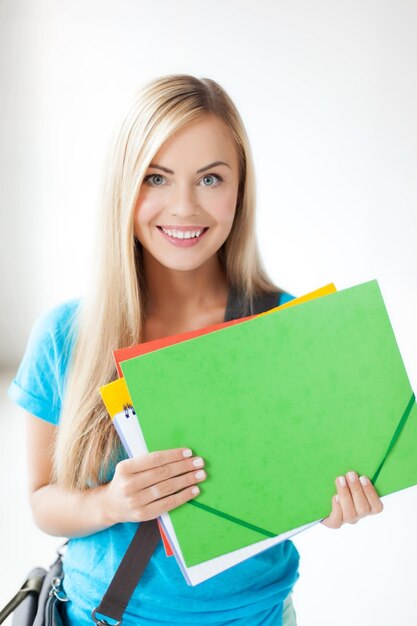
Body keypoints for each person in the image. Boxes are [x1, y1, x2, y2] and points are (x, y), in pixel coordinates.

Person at [8, 74, 384, 626]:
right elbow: (43, 501)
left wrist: (328, 501)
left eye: (210, 178)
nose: (183, 207)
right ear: (124, 187)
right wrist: (111, 503)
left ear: (240, 190)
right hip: (98, 617)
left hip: (255, 617)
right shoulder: (66, 334)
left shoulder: (289, 327)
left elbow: (311, 475)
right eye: (156, 177)